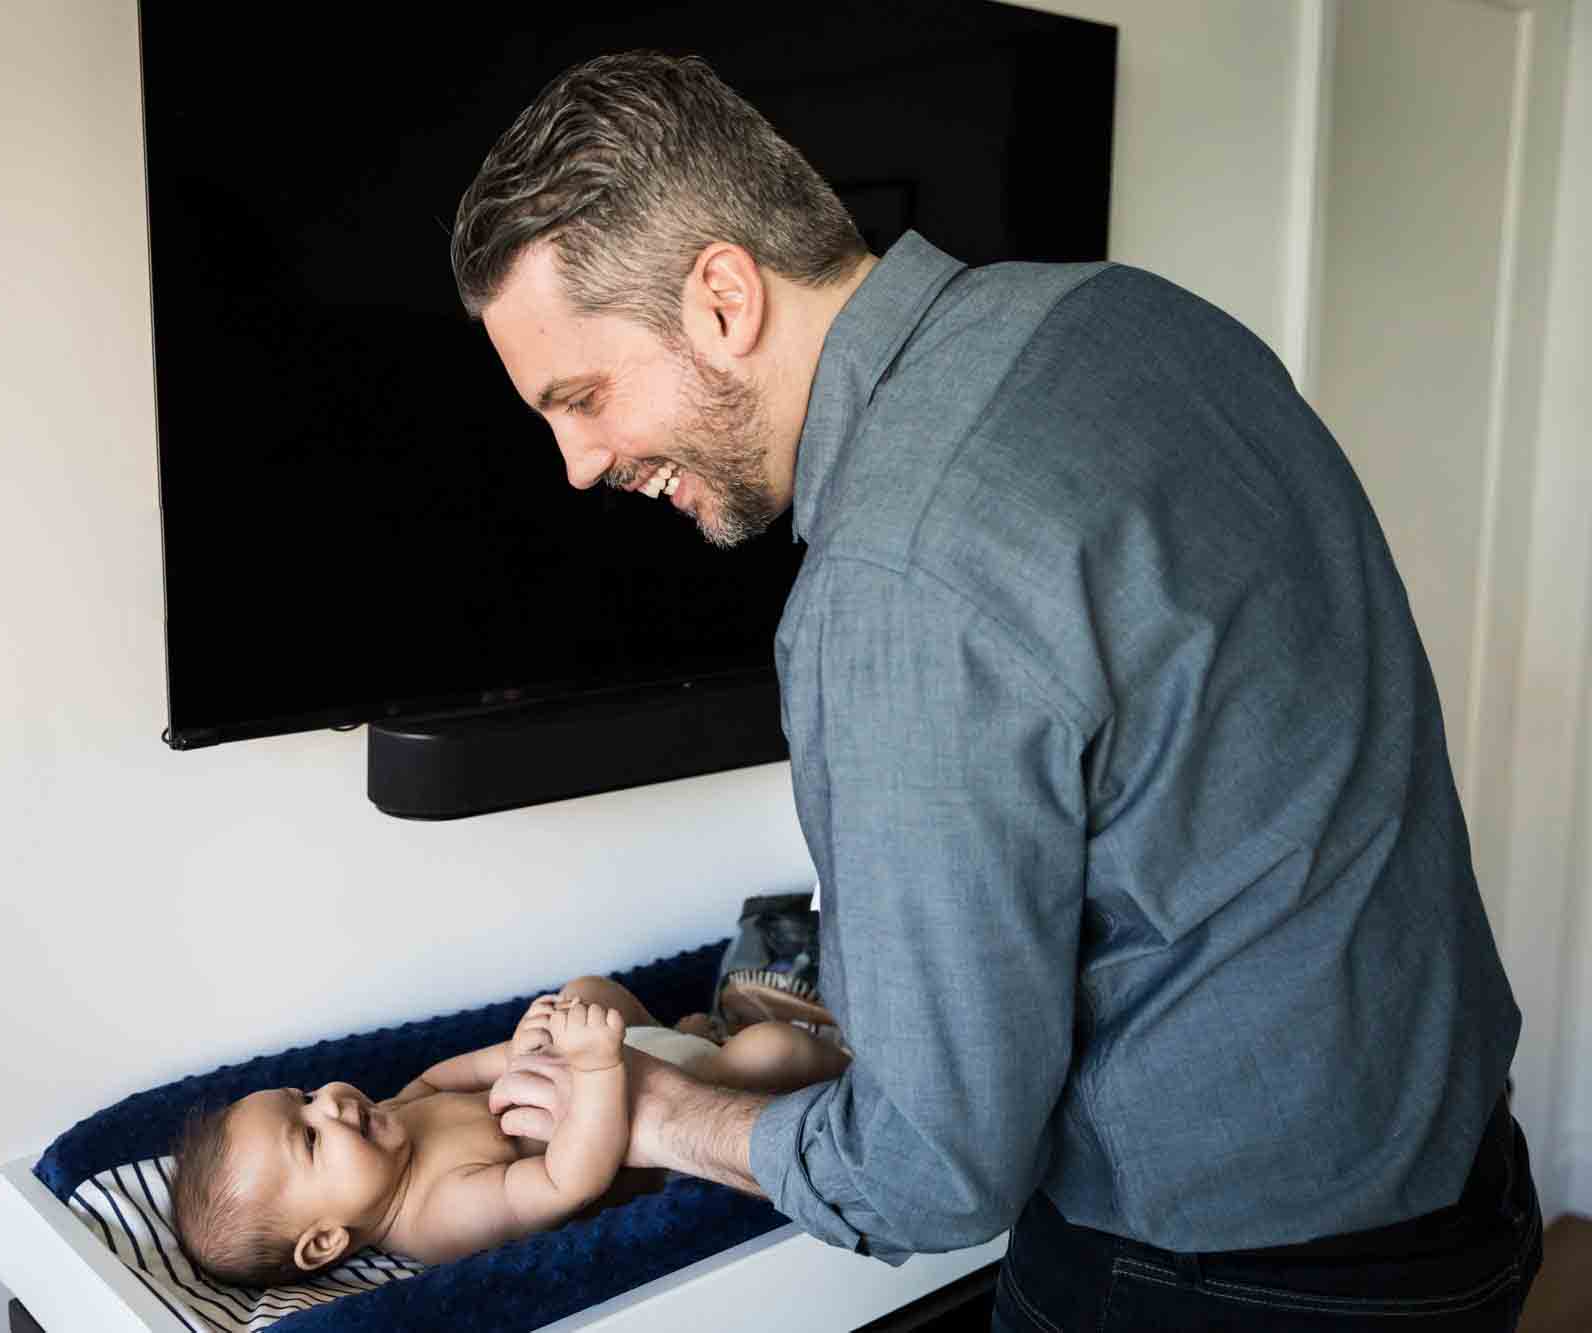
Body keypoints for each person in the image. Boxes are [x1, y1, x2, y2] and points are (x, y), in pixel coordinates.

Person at [452, 49, 1542, 1332]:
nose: (577, 466)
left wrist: (667, 1112)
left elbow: (927, 1174)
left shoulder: (893, 582)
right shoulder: (1129, 313)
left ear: (722, 298)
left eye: (581, 397)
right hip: (1461, 1174)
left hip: (1235, 1275)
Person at [167, 974, 849, 1286]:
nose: (333, 1103)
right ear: (324, 1240)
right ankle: (841, 1057)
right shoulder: (439, 1215)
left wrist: (521, 1049)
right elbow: (566, 1179)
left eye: (307, 1095)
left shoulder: (397, 1114)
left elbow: (452, 1074)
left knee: (591, 988)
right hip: (653, 1114)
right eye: (311, 1137)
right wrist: (597, 1066)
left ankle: (689, 1029)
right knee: (770, 1053)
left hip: (626, 1058)